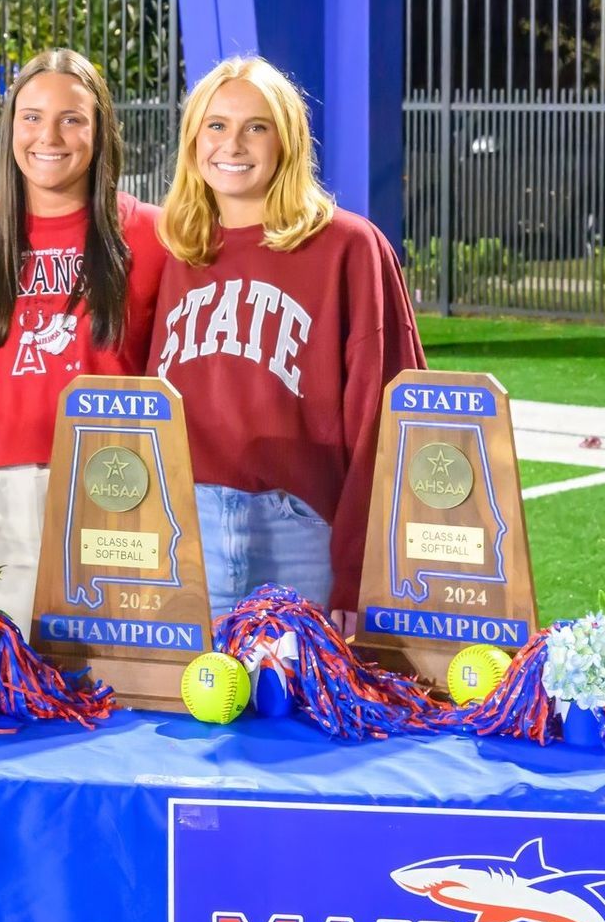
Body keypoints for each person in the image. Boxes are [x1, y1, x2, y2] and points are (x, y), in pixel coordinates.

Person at [154, 56, 424, 623]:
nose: (233, 144)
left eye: (256, 126)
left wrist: (359, 574)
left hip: (302, 536)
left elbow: (390, 424)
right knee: (181, 710)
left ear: (288, 140)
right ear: (193, 139)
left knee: (303, 708)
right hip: (184, 534)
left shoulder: (350, 247)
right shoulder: (175, 252)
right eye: (216, 125)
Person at [0, 48, 166, 629]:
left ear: (101, 129)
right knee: (7, 679)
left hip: (118, 485)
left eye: (72, 118)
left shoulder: (153, 236)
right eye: (31, 117)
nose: (48, 136)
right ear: (8, 129)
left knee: (116, 685)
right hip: (1, 491)